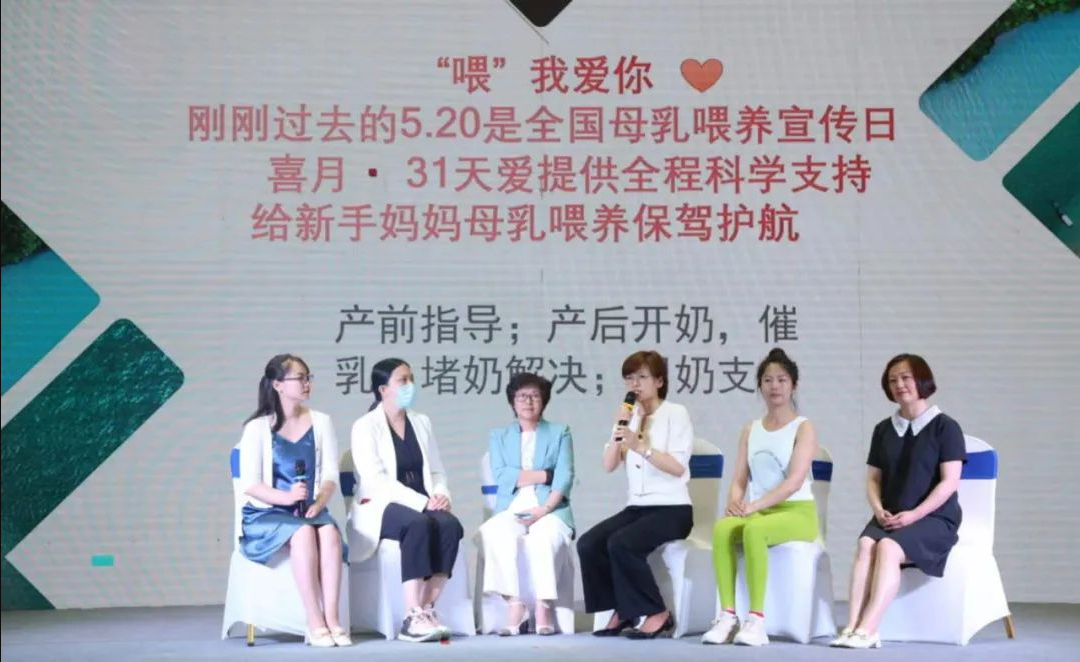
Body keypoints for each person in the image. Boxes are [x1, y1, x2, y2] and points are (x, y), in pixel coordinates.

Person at [832, 353, 967, 649]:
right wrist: (878, 509)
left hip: (934, 519)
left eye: (906, 377)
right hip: (890, 516)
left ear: (922, 380)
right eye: (893, 380)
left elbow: (949, 483)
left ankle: (869, 629)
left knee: (888, 547)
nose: (899, 384)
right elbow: (873, 479)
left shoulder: (945, 427)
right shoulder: (883, 429)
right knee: (866, 544)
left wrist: (914, 514)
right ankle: (851, 626)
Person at [703, 348, 819, 646]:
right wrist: (734, 501)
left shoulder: (803, 427)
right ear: (760, 386)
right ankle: (728, 616)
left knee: (754, 529)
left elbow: (794, 482)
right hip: (758, 511)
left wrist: (752, 506)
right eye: (768, 380)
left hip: (797, 513)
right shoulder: (750, 429)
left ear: (793, 385)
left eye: (781, 380)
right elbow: (739, 478)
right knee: (723, 528)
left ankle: (756, 620)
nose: (774, 386)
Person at [577, 350, 694, 639]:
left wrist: (641, 447)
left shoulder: (676, 413)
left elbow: (678, 467)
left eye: (642, 377)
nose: (635, 384)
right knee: (589, 544)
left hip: (673, 508)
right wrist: (620, 429)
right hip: (637, 508)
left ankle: (657, 612)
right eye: (630, 378)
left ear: (659, 381)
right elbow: (608, 465)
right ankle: (622, 609)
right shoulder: (628, 417)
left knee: (622, 543)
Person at [237, 354, 350, 647]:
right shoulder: (257, 428)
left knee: (329, 532)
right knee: (302, 533)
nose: (306, 383)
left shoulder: (321, 421)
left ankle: (333, 618)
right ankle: (314, 620)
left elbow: (330, 474)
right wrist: (287, 497)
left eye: (308, 377)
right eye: (300, 378)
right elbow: (251, 484)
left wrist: (320, 501)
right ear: (278, 385)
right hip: (267, 512)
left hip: (309, 509)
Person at [349, 358, 464, 642]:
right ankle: (411, 615)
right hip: (381, 505)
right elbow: (376, 481)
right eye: (402, 380)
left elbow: (436, 470)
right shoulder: (365, 426)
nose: (410, 385)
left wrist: (440, 495)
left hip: (423, 502)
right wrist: (422, 503)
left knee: (450, 525)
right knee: (417, 524)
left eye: (411, 379)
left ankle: (426, 609)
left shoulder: (421, 422)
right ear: (382, 389)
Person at [477, 373, 575, 635]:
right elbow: (502, 476)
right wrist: (545, 474)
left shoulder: (560, 432)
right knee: (493, 531)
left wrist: (544, 509)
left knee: (544, 537)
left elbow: (564, 476)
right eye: (522, 396)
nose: (528, 402)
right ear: (512, 401)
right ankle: (515, 604)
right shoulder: (499, 436)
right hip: (513, 506)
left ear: (544, 401)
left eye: (534, 396)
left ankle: (543, 605)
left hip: (550, 507)